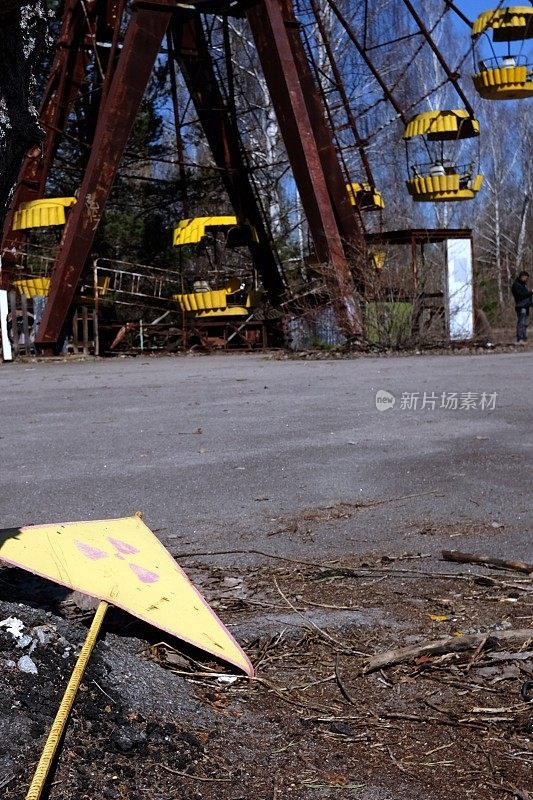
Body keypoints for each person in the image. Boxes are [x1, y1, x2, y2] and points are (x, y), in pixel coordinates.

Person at [511, 271, 533, 344]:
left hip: (526, 306)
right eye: (526, 278)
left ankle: (524, 337)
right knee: (521, 323)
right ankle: (520, 338)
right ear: (522, 277)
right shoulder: (516, 285)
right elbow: (521, 295)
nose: (526, 280)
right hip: (521, 306)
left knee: (525, 323)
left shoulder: (524, 285)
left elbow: (527, 296)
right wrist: (530, 292)